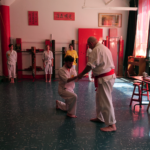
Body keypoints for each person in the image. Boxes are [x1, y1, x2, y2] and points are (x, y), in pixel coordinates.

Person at [77, 36, 116, 132]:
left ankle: (112, 125)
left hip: (105, 79)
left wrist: (81, 74)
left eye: (88, 45)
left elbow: (90, 65)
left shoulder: (96, 50)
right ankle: (100, 117)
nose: (88, 47)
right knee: (99, 98)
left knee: (106, 100)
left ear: (91, 43)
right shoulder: (105, 48)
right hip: (106, 77)